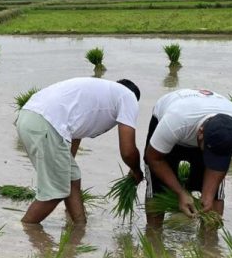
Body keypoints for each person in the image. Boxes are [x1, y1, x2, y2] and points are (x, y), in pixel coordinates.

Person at [16, 77, 143, 224]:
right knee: (56, 191)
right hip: (46, 123)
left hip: (31, 116)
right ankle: (27, 227)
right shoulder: (128, 97)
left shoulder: (102, 93)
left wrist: (66, 167)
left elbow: (75, 132)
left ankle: (79, 225)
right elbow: (128, 151)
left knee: (72, 179)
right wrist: (136, 171)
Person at [144, 88, 232, 226]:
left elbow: (219, 168)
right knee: (158, 188)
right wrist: (180, 193)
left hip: (207, 134)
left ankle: (209, 244)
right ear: (200, 133)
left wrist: (208, 195)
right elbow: (153, 158)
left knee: (215, 196)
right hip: (173, 124)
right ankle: (153, 237)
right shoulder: (176, 120)